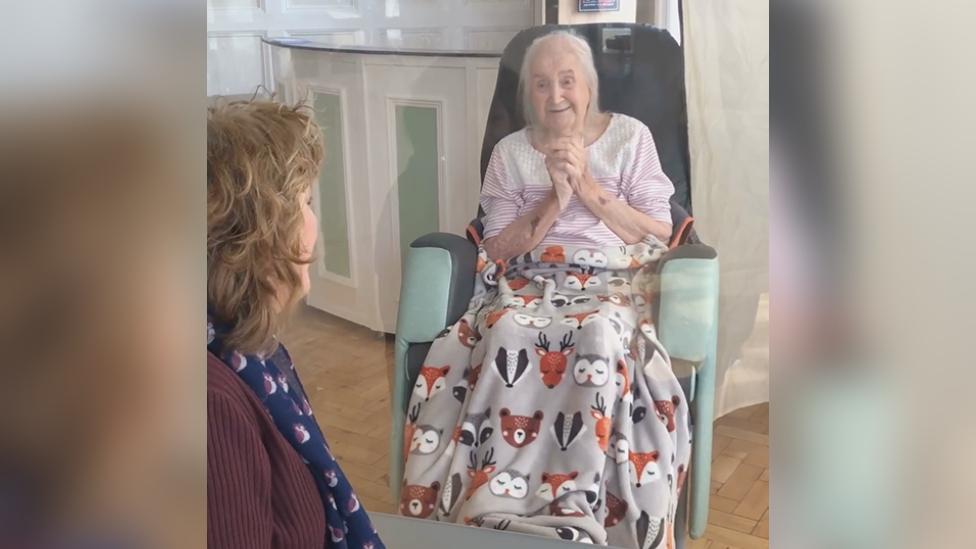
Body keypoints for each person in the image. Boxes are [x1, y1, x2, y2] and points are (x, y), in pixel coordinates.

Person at [207, 99, 383, 549]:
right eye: (304, 202)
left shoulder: (243, 349)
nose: (313, 222)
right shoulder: (211, 407)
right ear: (256, 237)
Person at [481, 31, 675, 261]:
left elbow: (660, 236)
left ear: (589, 87)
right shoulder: (508, 153)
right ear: (529, 95)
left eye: (567, 81)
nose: (555, 97)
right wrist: (555, 198)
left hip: (616, 282)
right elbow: (496, 252)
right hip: (529, 283)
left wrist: (586, 186)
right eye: (542, 85)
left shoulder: (631, 137)